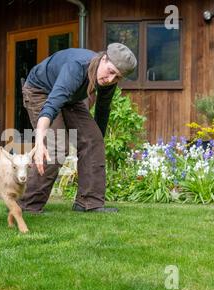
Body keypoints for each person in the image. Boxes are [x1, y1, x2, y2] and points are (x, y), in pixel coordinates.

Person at [18, 43, 137, 213]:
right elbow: (52, 105)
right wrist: (39, 142)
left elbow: (103, 109)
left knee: (93, 140)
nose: (111, 80)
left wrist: (97, 141)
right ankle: (28, 205)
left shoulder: (108, 81)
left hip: (71, 98)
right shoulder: (76, 68)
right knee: (57, 146)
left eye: (117, 77)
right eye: (110, 72)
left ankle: (89, 202)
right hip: (40, 91)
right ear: (103, 59)